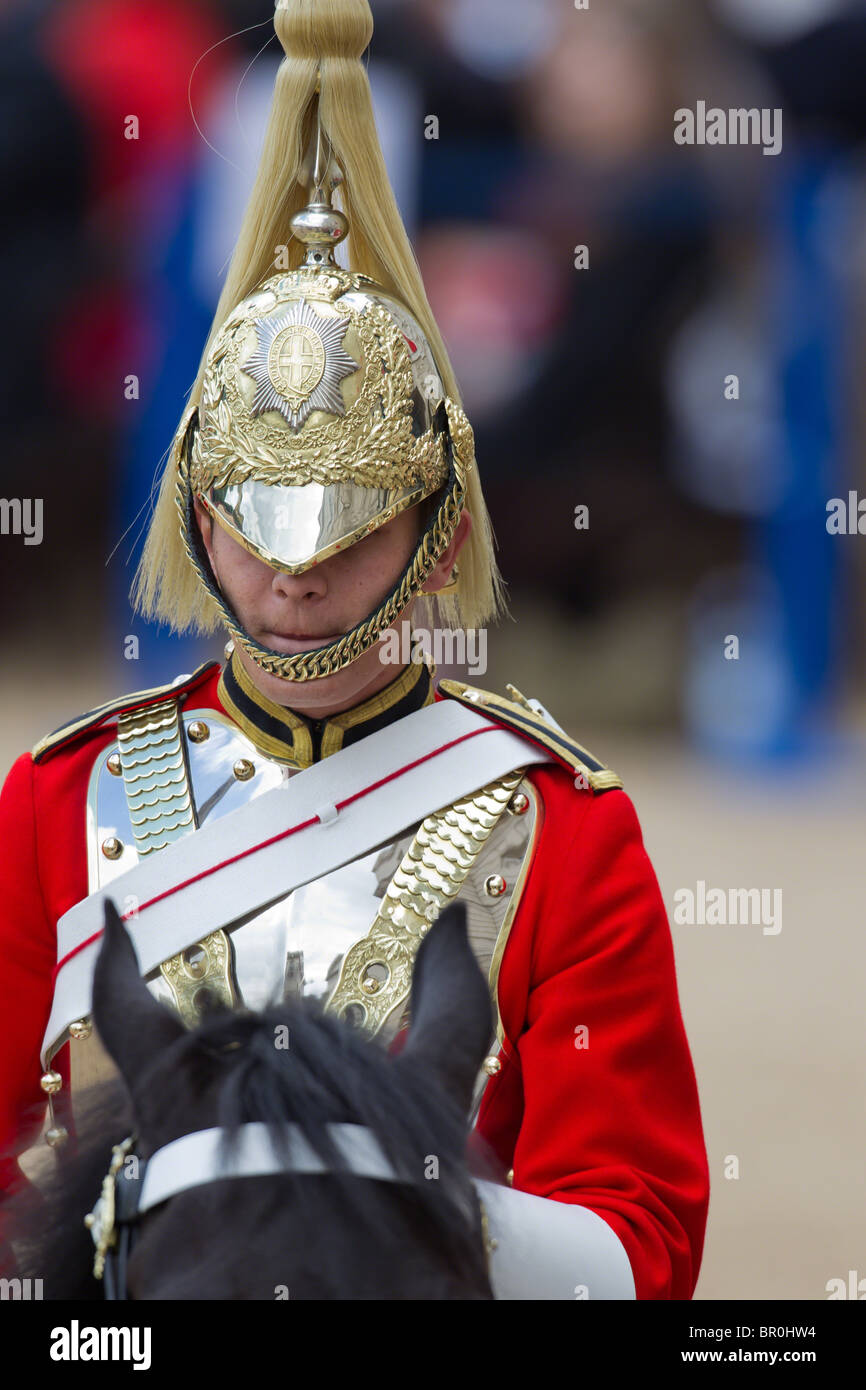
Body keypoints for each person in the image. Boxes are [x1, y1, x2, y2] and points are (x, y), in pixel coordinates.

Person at [0, 0, 708, 1299]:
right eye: (257, 524)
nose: (296, 572)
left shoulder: (562, 829)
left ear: (437, 529)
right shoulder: (56, 797)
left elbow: (639, 1242)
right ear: (197, 514)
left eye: (349, 527)